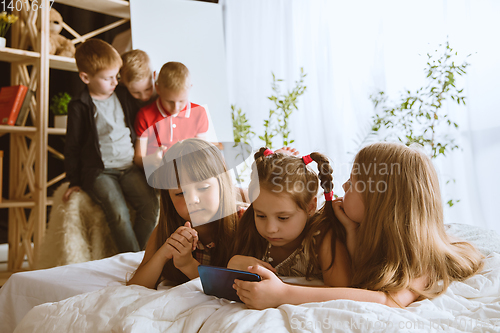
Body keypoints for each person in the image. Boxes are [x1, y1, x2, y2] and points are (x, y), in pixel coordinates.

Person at [233, 142, 484, 309]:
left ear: (380, 202)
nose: (343, 187)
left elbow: (388, 302)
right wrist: (351, 233)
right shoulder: (355, 226)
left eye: (353, 182)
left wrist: (283, 295)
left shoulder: (420, 258)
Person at [63, 39, 159, 253]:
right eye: (108, 78)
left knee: (150, 205)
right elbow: (73, 145)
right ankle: (133, 261)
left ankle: (141, 256)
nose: (115, 82)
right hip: (100, 172)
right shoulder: (79, 105)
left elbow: (144, 99)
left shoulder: (123, 95)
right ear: (85, 77)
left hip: (128, 167)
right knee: (118, 213)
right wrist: (73, 180)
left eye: (116, 76)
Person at [127, 138, 242, 289]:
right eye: (180, 193)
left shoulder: (244, 224)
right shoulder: (167, 231)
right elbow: (135, 286)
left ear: (222, 184)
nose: (192, 200)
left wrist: (188, 265)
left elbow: (232, 288)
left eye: (203, 188)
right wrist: (164, 253)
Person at [229, 148, 352, 286]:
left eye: (283, 218)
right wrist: (233, 265)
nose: (270, 229)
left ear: (310, 207)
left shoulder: (322, 238)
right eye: (261, 215)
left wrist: (281, 291)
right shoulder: (250, 230)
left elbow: (342, 292)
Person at [134, 62, 211, 169]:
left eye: (181, 101)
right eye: (169, 101)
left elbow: (201, 152)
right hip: (158, 171)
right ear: (158, 89)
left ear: (189, 88)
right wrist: (151, 161)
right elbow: (138, 159)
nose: (175, 107)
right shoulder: (145, 115)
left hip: (187, 170)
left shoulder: (199, 113)